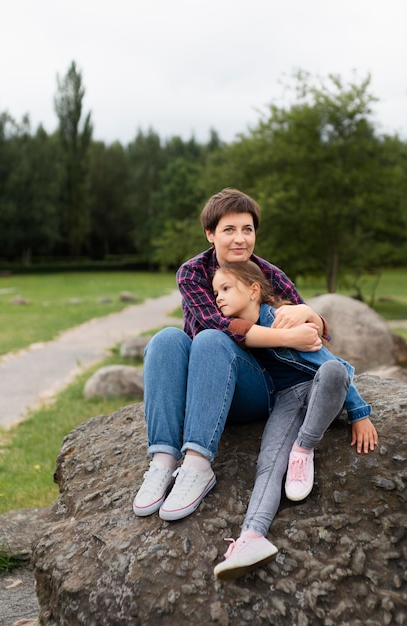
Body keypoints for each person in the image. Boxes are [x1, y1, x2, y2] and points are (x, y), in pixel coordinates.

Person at [133, 188, 327, 523]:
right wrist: (285, 334)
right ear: (210, 234)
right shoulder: (193, 273)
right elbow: (221, 324)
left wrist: (311, 314)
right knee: (166, 339)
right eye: (229, 230)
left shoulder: (269, 275)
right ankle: (163, 462)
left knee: (209, 341)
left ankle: (197, 466)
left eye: (247, 229)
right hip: (202, 386)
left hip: (254, 389)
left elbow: (321, 334)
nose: (240, 239)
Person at [211, 260, 378, 580]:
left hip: (320, 387)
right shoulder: (234, 332)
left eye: (226, 288)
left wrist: (359, 413)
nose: (218, 297)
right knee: (269, 463)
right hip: (285, 401)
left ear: (253, 290)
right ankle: (252, 537)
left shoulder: (279, 319)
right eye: (216, 291)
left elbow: (328, 362)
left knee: (333, 371)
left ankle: (304, 449)